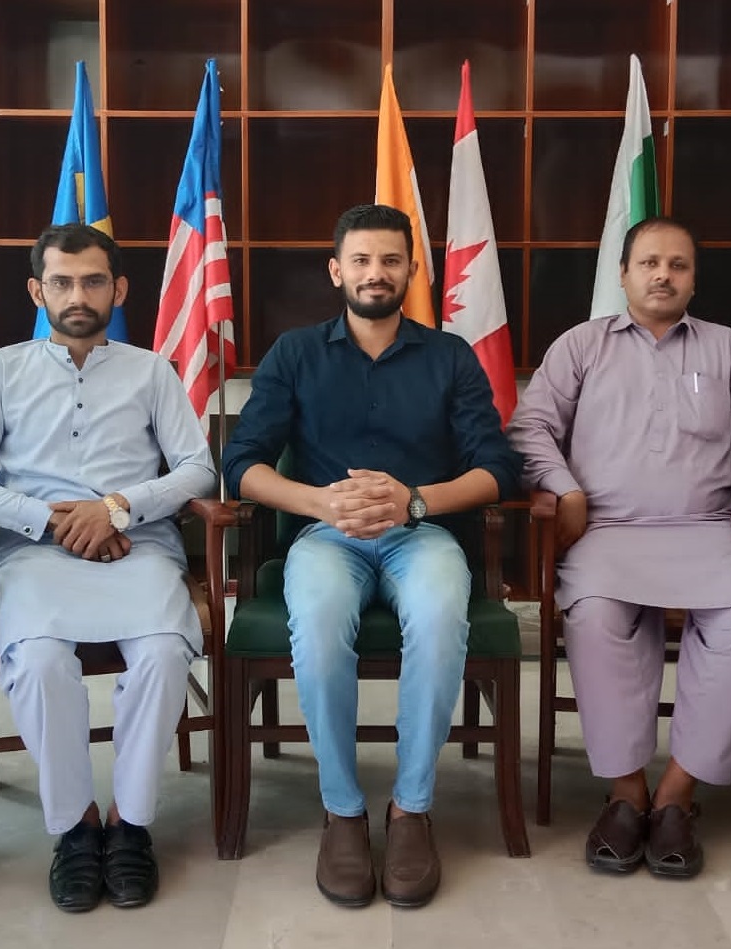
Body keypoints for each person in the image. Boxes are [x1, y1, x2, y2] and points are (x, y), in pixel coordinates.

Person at [221, 204, 521, 908]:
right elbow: (241, 465)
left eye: (389, 260)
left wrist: (413, 501)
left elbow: (497, 469)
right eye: (360, 260)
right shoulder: (294, 352)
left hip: (421, 533)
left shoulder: (449, 355)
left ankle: (411, 808)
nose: (375, 273)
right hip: (327, 536)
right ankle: (344, 810)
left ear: (411, 271)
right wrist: (321, 503)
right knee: (320, 623)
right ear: (336, 271)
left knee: (443, 612)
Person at [509, 216, 731, 879]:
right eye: (648, 263)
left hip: (710, 530)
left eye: (677, 264)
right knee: (597, 618)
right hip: (606, 531)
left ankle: (676, 795)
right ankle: (625, 790)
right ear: (622, 274)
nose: (662, 275)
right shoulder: (581, 345)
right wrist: (564, 489)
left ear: (694, 278)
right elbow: (531, 429)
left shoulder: (726, 349)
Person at [0, 223, 215, 913]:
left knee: (159, 653)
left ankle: (129, 822)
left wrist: (118, 508)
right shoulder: (0, 370)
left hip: (137, 546)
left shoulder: (152, 370)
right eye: (60, 281)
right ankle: (74, 826)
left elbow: (198, 468)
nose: (77, 294)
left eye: (93, 280)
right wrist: (52, 520)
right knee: (37, 662)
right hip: (34, 551)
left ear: (118, 289)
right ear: (38, 290)